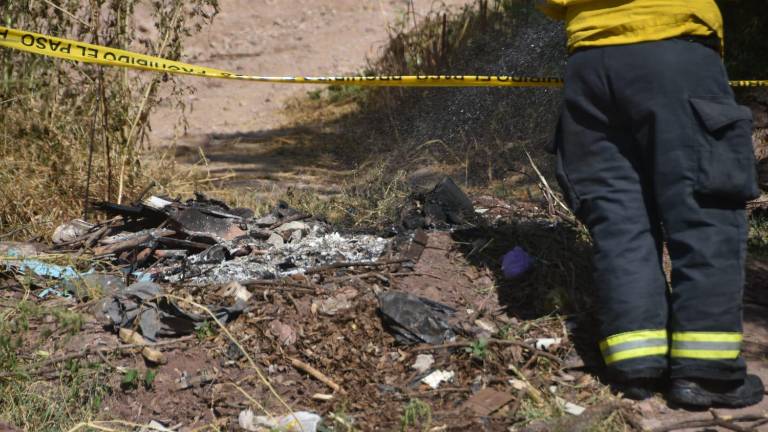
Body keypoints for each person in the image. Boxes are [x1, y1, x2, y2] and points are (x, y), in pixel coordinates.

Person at [537, 0, 765, 407]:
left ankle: (636, 365)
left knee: (619, 219)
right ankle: (706, 374)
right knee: (705, 212)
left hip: (589, 69)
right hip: (675, 54)